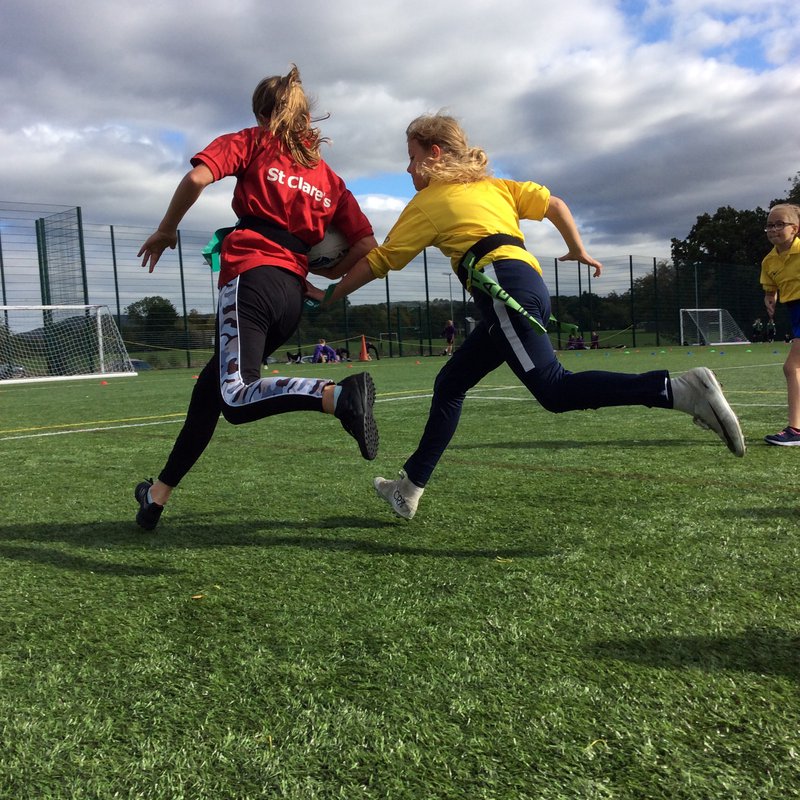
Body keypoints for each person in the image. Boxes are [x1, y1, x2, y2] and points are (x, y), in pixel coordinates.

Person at [313, 112, 745, 519]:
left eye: (410, 158)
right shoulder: (495, 187)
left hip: (502, 287)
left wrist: (330, 295)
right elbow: (554, 203)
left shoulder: (430, 200)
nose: (408, 170)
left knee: (555, 390)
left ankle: (678, 389)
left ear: (435, 154)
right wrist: (577, 248)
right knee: (450, 383)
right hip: (523, 285)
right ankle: (408, 490)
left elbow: (379, 261)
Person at [133, 65, 379, 530]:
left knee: (236, 397)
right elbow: (367, 247)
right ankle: (156, 497)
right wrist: (324, 281)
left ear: (263, 113)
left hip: (251, 278)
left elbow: (197, 180)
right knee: (209, 396)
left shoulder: (251, 140)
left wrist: (167, 230)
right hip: (290, 295)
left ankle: (339, 395)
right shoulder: (328, 178)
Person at [759, 203, 800, 446]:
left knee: (792, 367)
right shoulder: (769, 261)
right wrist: (770, 298)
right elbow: (770, 286)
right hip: (794, 312)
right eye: (769, 225)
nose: (773, 229)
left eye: (780, 224)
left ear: (795, 229)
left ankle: (795, 430)